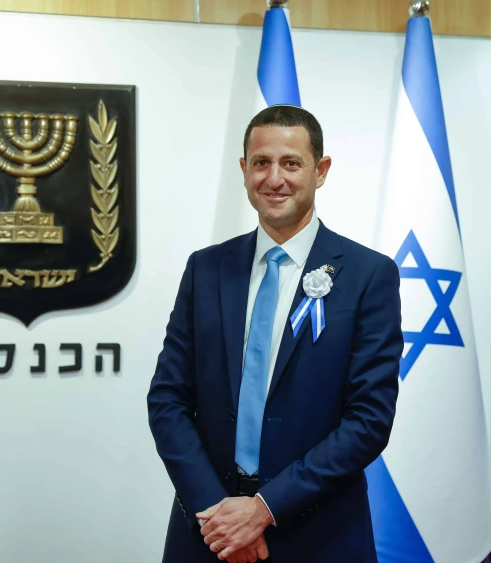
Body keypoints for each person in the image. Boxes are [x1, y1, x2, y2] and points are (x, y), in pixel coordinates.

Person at [147, 105, 402, 563]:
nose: (274, 178)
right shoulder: (206, 269)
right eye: (261, 163)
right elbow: (167, 400)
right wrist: (219, 516)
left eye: (291, 163)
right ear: (244, 171)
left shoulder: (369, 276)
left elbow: (369, 420)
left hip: (318, 532)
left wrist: (264, 509)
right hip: (210, 533)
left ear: (320, 171)